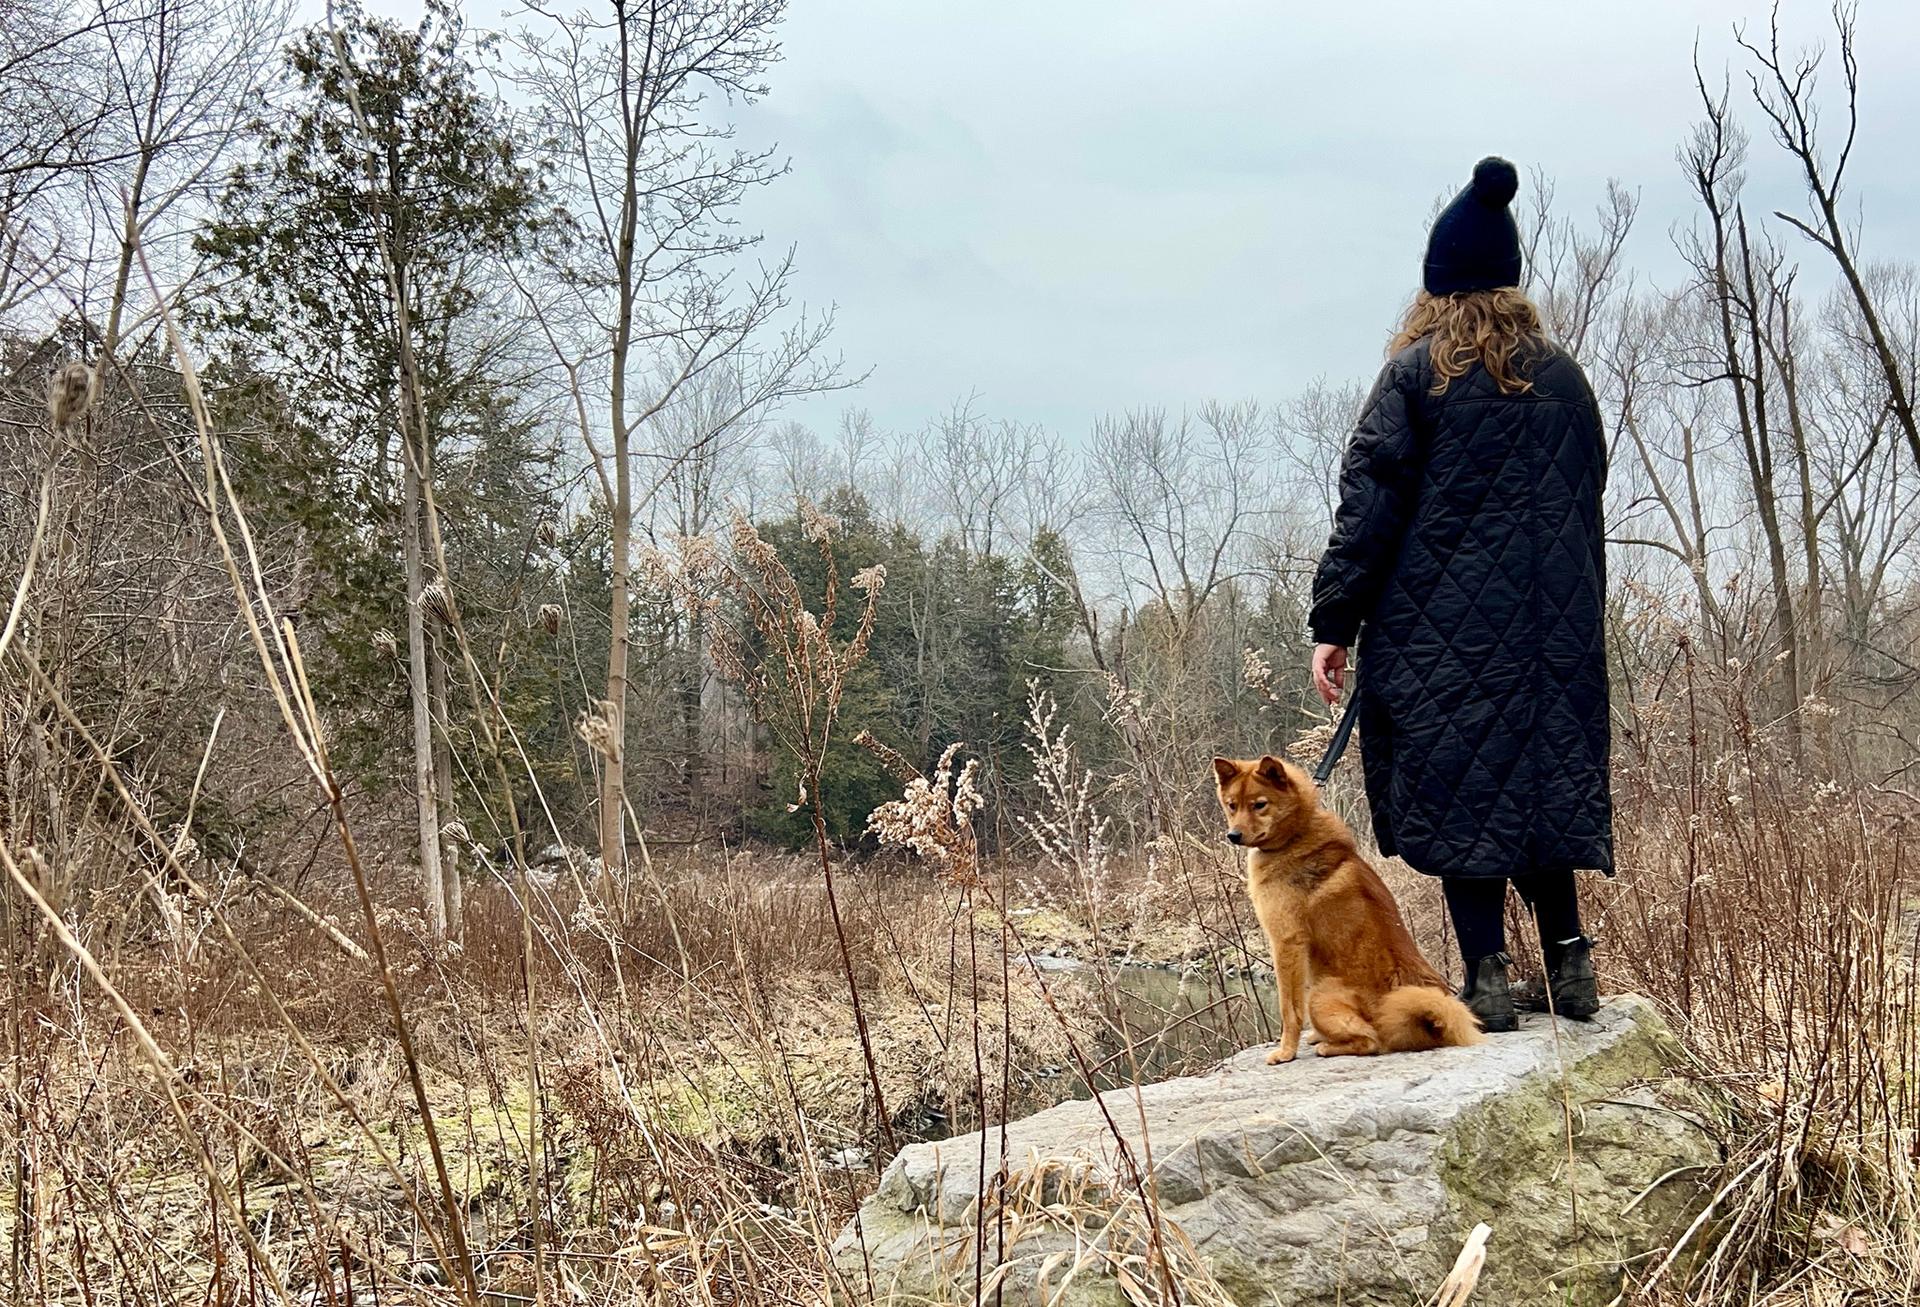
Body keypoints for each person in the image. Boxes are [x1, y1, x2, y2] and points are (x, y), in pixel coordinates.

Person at [1306, 157, 1611, 1033]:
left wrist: (1335, 622)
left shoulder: (1417, 375)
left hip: (1437, 638)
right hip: (1556, 638)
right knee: (1539, 786)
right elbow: (1585, 504)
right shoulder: (1564, 382)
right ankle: (1572, 967)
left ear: (1436, 288)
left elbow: (1369, 507)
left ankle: (1484, 978)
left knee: (1462, 793)